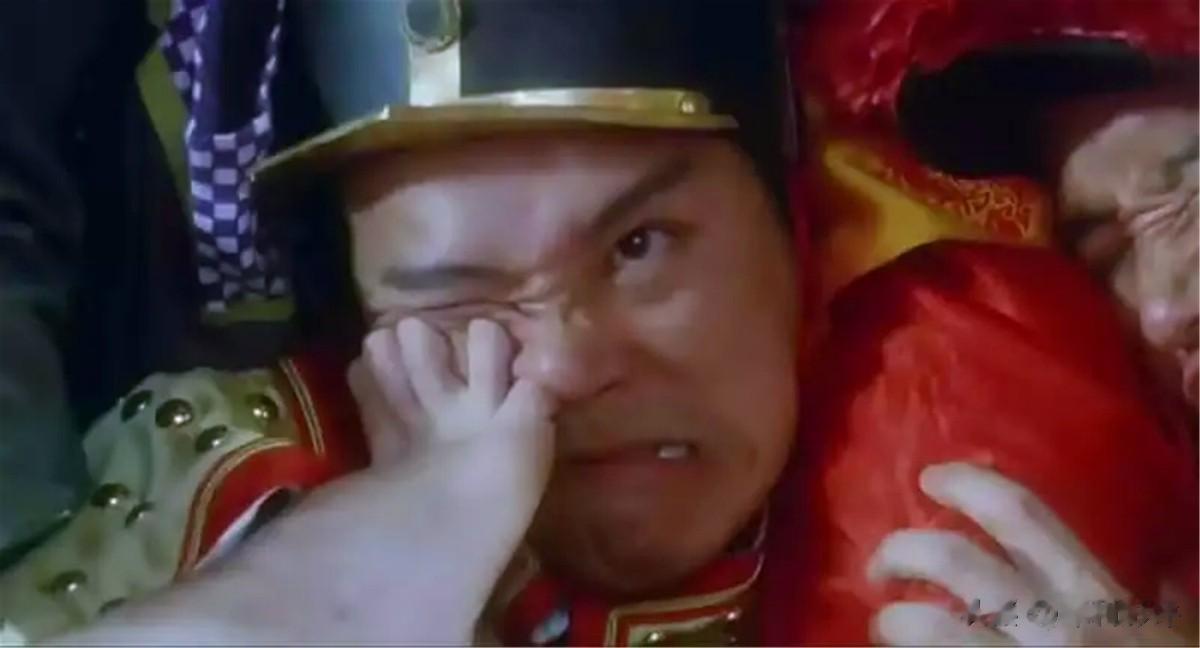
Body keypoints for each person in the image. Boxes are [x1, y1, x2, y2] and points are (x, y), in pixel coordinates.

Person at [1, 1, 1195, 645]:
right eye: (457, 302)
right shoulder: (235, 474)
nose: (569, 364)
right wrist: (357, 563)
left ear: (797, 231)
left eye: (640, 248)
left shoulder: (985, 399)